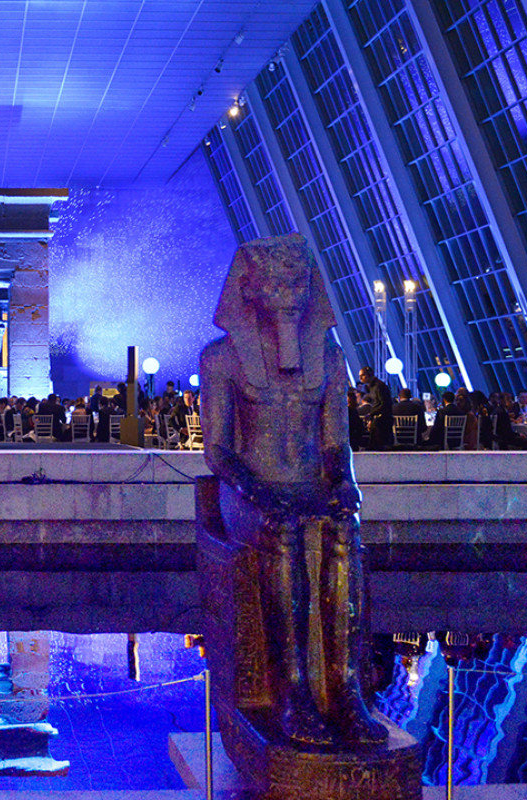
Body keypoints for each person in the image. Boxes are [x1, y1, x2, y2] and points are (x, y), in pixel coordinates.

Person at [201, 234, 385, 747]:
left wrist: (344, 483)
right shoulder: (222, 358)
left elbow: (335, 443)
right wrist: (256, 489)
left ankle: (346, 689)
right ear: (249, 290)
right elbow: (218, 451)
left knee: (344, 529)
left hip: (307, 483)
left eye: (298, 282)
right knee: (281, 532)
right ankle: (293, 693)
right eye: (276, 282)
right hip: (249, 492)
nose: (289, 293)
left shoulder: (328, 357)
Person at [357, 366, 392, 451]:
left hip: (382, 419)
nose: (360, 378)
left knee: (377, 445)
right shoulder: (372, 387)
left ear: (369, 375)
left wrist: (371, 414)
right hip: (378, 417)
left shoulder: (379, 386)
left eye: (362, 375)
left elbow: (383, 404)